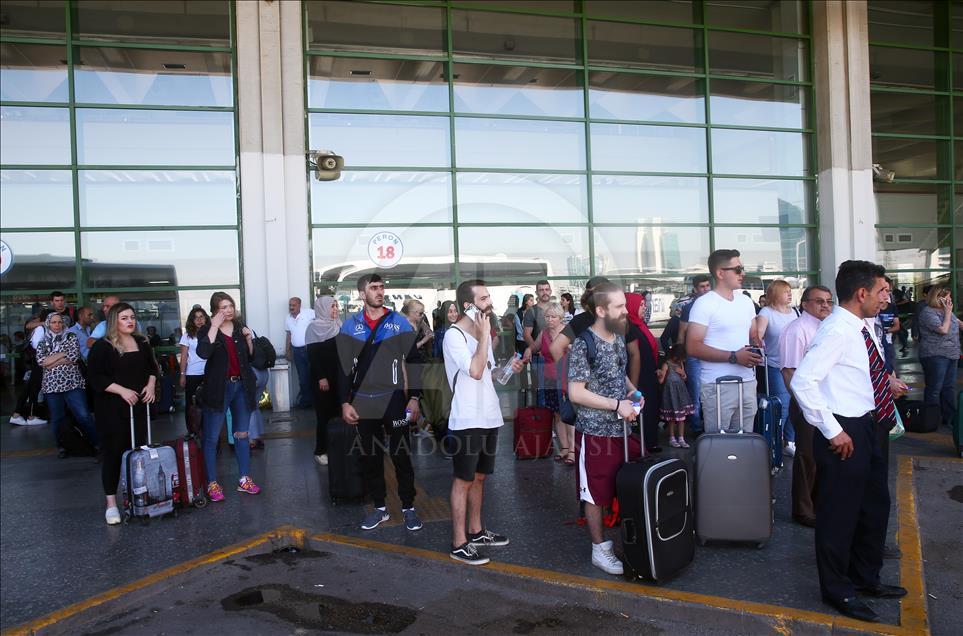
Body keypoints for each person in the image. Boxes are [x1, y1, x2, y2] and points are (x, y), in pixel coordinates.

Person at [790, 260, 907, 623]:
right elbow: (802, 382)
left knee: (874, 506)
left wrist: (886, 386)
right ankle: (838, 590)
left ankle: (865, 578)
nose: (885, 298)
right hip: (845, 431)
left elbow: (859, 372)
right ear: (861, 294)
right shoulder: (837, 330)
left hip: (871, 425)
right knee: (839, 515)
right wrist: (833, 430)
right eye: (881, 292)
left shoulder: (861, 326)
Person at [336, 273, 423, 532]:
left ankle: (409, 507)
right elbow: (343, 369)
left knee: (401, 455)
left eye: (382, 287)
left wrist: (416, 397)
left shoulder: (398, 322)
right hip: (363, 402)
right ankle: (380, 508)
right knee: (370, 457)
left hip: (394, 400)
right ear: (362, 294)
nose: (379, 291)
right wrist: (344, 403)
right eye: (373, 288)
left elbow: (415, 361)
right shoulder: (350, 326)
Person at [444, 280, 523, 565]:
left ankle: (476, 532)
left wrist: (507, 370)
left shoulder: (482, 334)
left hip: (489, 415)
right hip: (467, 418)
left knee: (479, 477)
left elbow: (489, 376)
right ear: (469, 305)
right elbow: (475, 371)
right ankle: (458, 542)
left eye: (489, 296)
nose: (490, 302)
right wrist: (487, 333)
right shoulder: (454, 336)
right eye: (484, 298)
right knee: (463, 479)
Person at [568, 282, 641, 576]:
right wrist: (616, 405)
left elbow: (619, 375)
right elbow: (575, 392)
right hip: (595, 433)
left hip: (621, 430)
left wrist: (635, 395)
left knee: (623, 488)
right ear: (601, 310)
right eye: (620, 306)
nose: (626, 311)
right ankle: (600, 549)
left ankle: (628, 542)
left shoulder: (618, 337)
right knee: (595, 494)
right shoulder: (582, 344)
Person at [86, 303, 158, 525]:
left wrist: (151, 385)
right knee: (113, 454)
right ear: (114, 321)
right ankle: (111, 505)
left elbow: (152, 368)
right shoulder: (103, 346)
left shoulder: (142, 342)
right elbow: (96, 377)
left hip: (138, 407)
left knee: (139, 453)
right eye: (124, 317)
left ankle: (139, 498)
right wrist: (122, 390)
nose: (130, 321)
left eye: (132, 317)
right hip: (112, 409)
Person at [687, 250, 762, 432]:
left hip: (747, 382)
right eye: (737, 269)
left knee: (746, 442)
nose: (742, 273)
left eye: (742, 268)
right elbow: (692, 346)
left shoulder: (745, 301)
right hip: (717, 384)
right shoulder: (705, 303)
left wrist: (758, 344)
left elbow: (753, 336)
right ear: (720, 273)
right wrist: (734, 356)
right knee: (719, 445)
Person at [196, 292, 261, 501]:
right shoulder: (207, 330)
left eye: (231, 305)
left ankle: (244, 478)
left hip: (241, 386)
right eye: (224, 307)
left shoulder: (239, 328)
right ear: (215, 310)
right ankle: (212, 483)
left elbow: (252, 357)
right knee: (211, 437)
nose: (229, 310)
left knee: (242, 434)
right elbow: (204, 352)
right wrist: (214, 326)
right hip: (218, 388)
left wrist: (249, 338)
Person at [779, 285, 834, 528]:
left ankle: (819, 503)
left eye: (829, 301)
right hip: (807, 404)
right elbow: (789, 371)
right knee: (807, 458)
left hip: (829, 402)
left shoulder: (828, 327)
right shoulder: (797, 330)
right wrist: (806, 406)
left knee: (824, 457)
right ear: (805, 304)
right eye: (819, 301)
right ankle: (803, 510)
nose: (825, 305)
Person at [34, 313, 100, 457]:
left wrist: (51, 361)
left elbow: (73, 357)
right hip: (51, 386)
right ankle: (62, 447)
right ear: (48, 324)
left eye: (59, 322)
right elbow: (42, 362)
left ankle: (97, 444)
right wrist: (62, 355)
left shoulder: (71, 337)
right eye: (53, 322)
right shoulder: (42, 341)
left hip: (73, 383)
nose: (57, 325)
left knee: (83, 415)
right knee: (57, 418)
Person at [755, 279, 798, 455]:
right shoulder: (766, 312)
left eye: (790, 291)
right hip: (775, 364)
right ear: (775, 294)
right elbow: (757, 334)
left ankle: (790, 440)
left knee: (797, 402)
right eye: (785, 291)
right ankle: (775, 440)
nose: (789, 294)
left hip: (795, 364)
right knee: (783, 403)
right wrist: (758, 344)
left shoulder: (795, 312)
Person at [917, 286, 962, 429]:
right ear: (936, 298)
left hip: (951, 354)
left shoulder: (948, 312)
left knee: (948, 387)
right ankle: (931, 419)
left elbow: (959, 325)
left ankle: (949, 418)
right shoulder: (927, 313)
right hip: (935, 355)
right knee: (935, 388)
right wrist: (948, 313)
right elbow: (943, 330)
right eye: (946, 297)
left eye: (949, 297)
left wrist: (949, 313)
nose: (949, 301)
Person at [306, 295, 342, 465]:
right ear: (323, 308)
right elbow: (313, 356)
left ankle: (337, 448)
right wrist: (322, 377)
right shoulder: (313, 327)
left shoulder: (339, 325)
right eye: (332, 306)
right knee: (324, 415)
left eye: (336, 306)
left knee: (339, 413)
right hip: (322, 378)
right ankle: (321, 450)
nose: (335, 309)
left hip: (340, 376)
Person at [625, 292, 662, 452]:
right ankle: (640, 447)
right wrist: (633, 387)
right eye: (640, 305)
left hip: (648, 376)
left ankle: (649, 444)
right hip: (638, 380)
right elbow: (634, 357)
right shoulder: (629, 328)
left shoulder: (639, 325)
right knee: (639, 413)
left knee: (649, 410)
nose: (644, 307)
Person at [676, 274, 712, 436]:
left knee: (713, 392)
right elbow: (681, 334)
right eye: (702, 287)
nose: (705, 289)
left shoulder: (717, 305)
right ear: (695, 289)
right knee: (695, 393)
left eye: (707, 286)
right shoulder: (689, 308)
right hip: (694, 356)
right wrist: (679, 359)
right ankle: (697, 428)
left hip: (714, 355)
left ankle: (711, 426)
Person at [548, 276, 612, 363]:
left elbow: (633, 352)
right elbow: (555, 348)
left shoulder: (617, 317)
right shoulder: (580, 320)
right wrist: (571, 372)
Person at [538, 302, 570, 464]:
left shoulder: (568, 330)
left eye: (553, 317)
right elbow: (535, 347)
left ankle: (572, 450)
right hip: (550, 378)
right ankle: (564, 448)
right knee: (557, 414)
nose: (549, 320)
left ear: (560, 317)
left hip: (566, 376)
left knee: (568, 414)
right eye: (547, 316)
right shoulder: (543, 333)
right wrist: (528, 352)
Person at [9, 309, 53, 426]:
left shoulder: (42, 328)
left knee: (29, 388)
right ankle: (31, 416)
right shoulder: (41, 329)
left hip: (38, 362)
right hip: (38, 363)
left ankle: (17, 414)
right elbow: (36, 345)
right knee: (34, 388)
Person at [659, 344, 694, 448]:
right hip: (670, 394)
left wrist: (682, 373)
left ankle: (681, 438)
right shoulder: (666, 365)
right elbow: (661, 381)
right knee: (672, 418)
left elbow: (685, 378)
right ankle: (672, 438)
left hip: (681, 394)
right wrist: (660, 374)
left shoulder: (680, 364)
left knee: (681, 418)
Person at [178, 307, 209, 420]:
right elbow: (184, 356)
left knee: (209, 403)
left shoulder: (211, 333)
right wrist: (182, 375)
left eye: (201, 317)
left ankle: (208, 430)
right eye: (196, 318)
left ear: (206, 318)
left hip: (209, 372)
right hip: (192, 373)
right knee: (191, 403)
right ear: (192, 320)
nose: (199, 320)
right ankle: (192, 430)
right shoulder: (187, 336)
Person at [285, 297, 316, 409]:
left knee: (313, 375)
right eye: (290, 305)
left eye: (293, 305)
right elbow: (289, 334)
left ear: (299, 305)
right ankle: (306, 402)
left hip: (310, 349)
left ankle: (315, 402)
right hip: (297, 351)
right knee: (302, 378)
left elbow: (322, 319)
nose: (291, 307)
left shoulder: (309, 313)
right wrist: (287, 350)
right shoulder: (288, 318)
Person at [876, 277, 901, 368]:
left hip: (888, 342)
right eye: (883, 290)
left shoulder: (892, 307)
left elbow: (897, 326)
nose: (886, 297)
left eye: (888, 291)